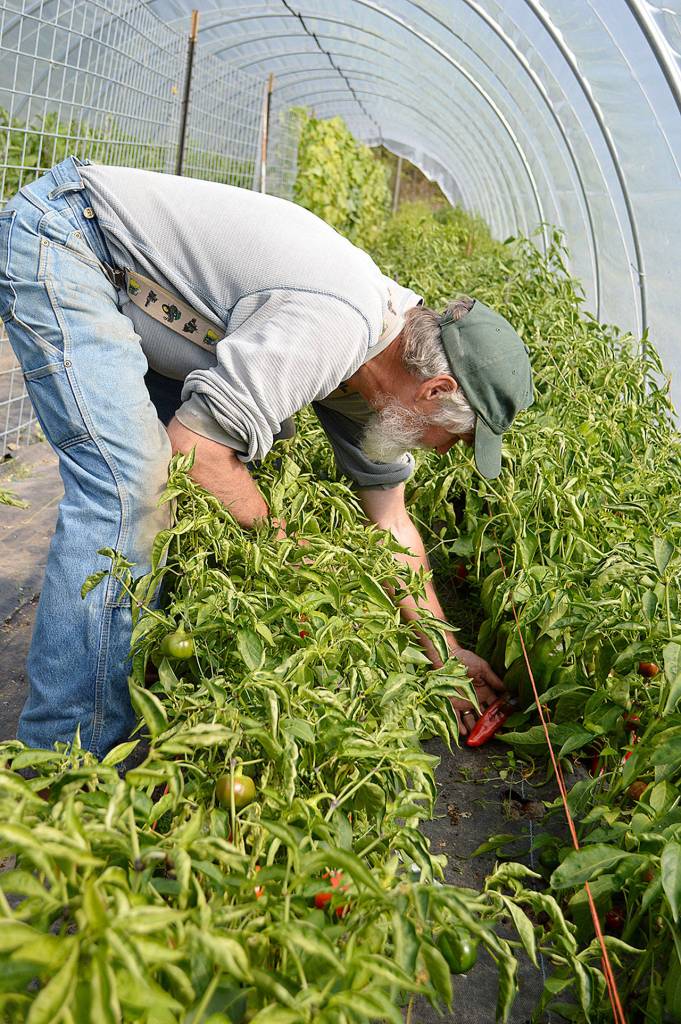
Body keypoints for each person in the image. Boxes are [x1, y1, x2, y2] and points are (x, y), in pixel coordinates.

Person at [0, 155, 533, 758]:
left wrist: (445, 650)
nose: (442, 451)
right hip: (73, 238)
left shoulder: (383, 370)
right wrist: (287, 547)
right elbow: (196, 453)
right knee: (133, 490)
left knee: (191, 478)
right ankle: (68, 763)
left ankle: (123, 672)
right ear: (436, 391)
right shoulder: (337, 328)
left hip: (146, 295)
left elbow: (391, 521)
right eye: (455, 438)